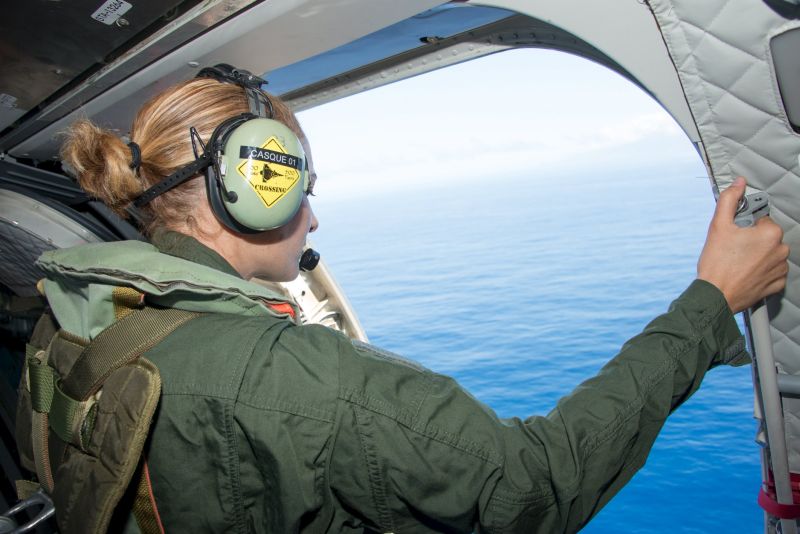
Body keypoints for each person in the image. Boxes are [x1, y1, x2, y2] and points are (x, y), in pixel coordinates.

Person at [20, 65, 789, 533]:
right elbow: (531, 486)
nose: (313, 216)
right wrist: (711, 300)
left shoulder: (76, 316)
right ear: (255, 185)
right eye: (301, 188)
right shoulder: (286, 378)